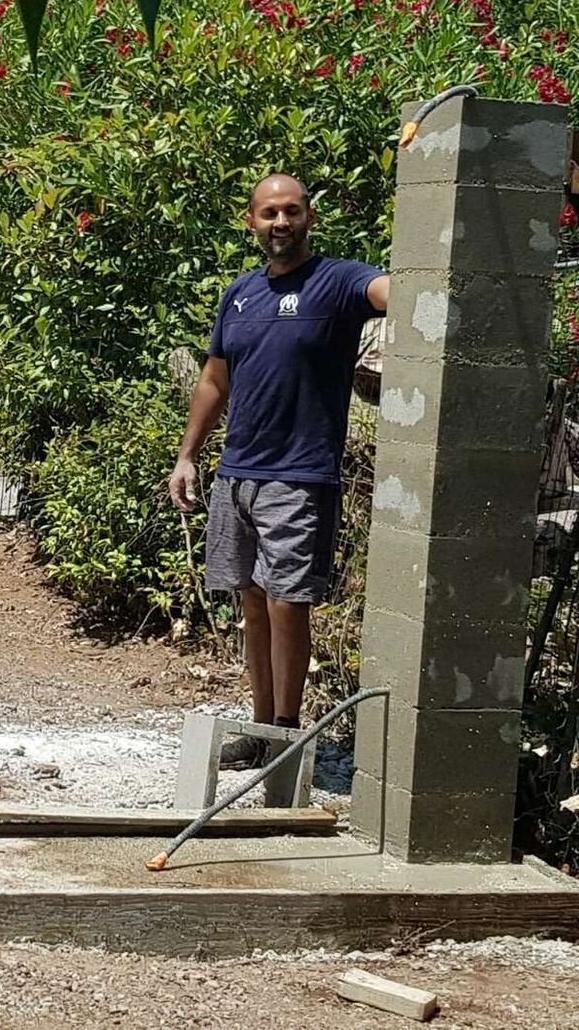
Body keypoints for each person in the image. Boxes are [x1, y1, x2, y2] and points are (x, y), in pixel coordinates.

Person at [168, 174, 389, 767]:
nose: (281, 223)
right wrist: (188, 455)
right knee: (252, 602)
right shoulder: (240, 295)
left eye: (292, 212)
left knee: (289, 602)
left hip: (300, 476)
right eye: (270, 214)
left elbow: (395, 292)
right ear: (253, 222)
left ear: (309, 218)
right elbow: (216, 379)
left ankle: (288, 734)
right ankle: (263, 726)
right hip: (238, 473)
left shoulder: (337, 281)